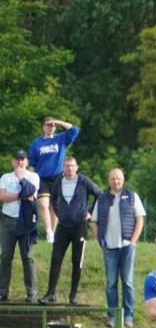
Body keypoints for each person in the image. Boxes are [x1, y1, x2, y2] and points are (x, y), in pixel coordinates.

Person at [41, 156, 102, 304]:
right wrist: (59, 212)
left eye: (72, 165)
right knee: (56, 258)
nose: (69, 168)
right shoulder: (59, 182)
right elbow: (53, 199)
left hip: (79, 227)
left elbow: (100, 193)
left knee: (77, 261)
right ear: (63, 168)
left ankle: (73, 295)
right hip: (63, 226)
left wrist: (90, 212)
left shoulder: (83, 181)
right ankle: (50, 294)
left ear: (77, 167)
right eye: (66, 166)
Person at [91, 168, 145, 328]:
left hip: (127, 246)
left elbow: (140, 219)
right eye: (113, 179)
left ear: (123, 179)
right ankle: (112, 315)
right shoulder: (102, 199)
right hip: (109, 248)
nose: (116, 181)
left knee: (128, 282)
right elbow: (94, 222)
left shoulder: (132, 196)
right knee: (111, 283)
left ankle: (128, 315)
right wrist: (101, 241)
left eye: (119, 178)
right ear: (109, 180)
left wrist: (133, 241)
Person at [28, 117, 79, 244]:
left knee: (55, 206)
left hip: (57, 177)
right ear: (43, 127)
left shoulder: (60, 139)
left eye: (52, 125)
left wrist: (59, 122)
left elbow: (74, 130)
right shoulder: (37, 143)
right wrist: (31, 179)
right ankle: (48, 232)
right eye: (47, 125)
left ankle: (53, 233)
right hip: (42, 178)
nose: (50, 127)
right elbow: (32, 164)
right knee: (44, 205)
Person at [0, 150, 40, 302]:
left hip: (26, 221)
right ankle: (2, 292)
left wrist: (21, 178)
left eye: (22, 159)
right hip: (8, 219)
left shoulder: (33, 177)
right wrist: (20, 195)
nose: (20, 162)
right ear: (13, 161)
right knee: (5, 257)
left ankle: (32, 294)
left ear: (27, 162)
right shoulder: (5, 177)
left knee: (28, 258)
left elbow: (31, 194)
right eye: (17, 159)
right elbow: (2, 196)